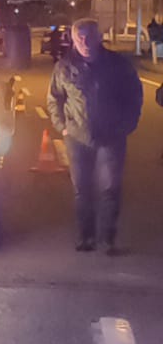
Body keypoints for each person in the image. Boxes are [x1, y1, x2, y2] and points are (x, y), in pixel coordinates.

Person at [47, 18, 144, 254]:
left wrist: (128, 124)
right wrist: (63, 126)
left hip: (112, 137)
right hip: (78, 138)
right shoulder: (64, 66)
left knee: (110, 188)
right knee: (83, 189)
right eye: (79, 37)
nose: (85, 41)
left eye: (89, 36)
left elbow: (134, 95)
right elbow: (54, 99)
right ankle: (86, 237)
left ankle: (107, 239)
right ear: (72, 39)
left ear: (99, 37)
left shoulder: (117, 65)